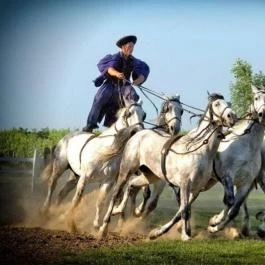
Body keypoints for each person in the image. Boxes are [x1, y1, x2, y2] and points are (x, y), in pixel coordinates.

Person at [82, 35, 150, 132]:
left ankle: (136, 123)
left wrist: (138, 80)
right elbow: (109, 69)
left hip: (124, 86)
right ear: (123, 47)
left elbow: (143, 72)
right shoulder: (115, 57)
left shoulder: (134, 61)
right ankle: (90, 124)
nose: (131, 49)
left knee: (134, 98)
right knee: (99, 98)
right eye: (129, 46)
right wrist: (117, 73)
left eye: (132, 47)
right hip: (111, 84)